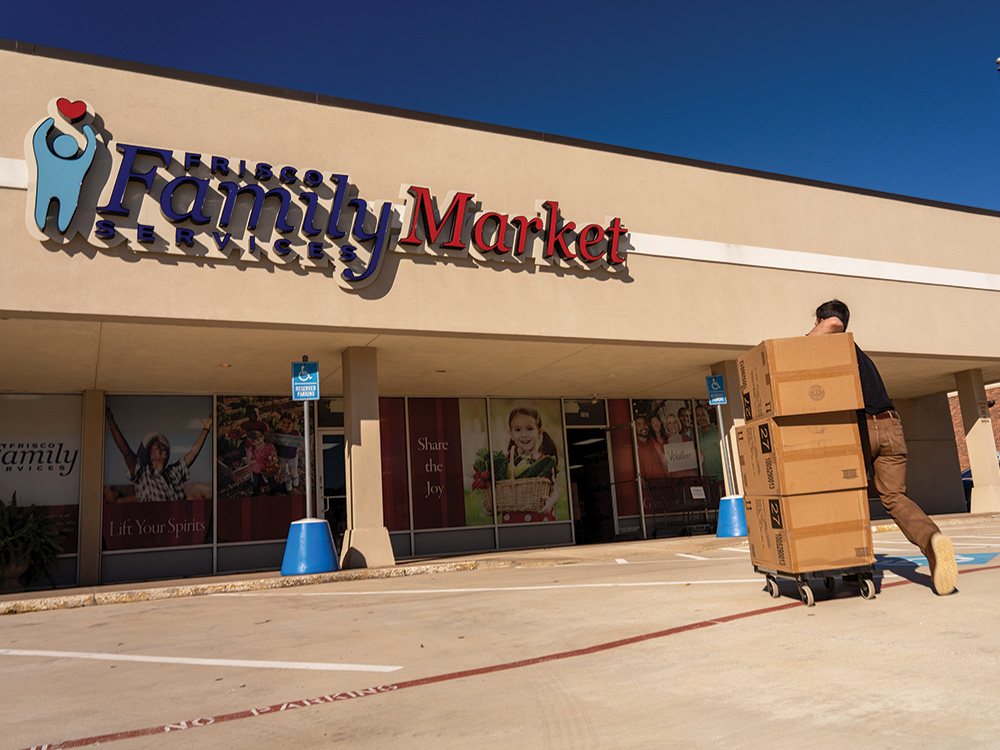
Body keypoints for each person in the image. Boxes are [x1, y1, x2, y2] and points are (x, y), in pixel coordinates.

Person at [808, 299, 957, 595]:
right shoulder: (862, 357)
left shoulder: (837, 343)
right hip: (892, 427)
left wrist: (812, 334)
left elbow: (831, 326)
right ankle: (933, 540)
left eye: (816, 322)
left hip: (862, 429)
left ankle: (854, 561)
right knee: (895, 498)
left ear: (822, 320)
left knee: (844, 493)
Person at [106, 407, 212, 502]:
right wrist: (111, 422)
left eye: (164, 446)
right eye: (158, 447)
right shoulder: (144, 475)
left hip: (177, 523)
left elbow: (193, 452)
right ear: (150, 456)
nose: (163, 447)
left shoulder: (174, 472)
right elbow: (127, 453)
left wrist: (206, 428)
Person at [504, 407, 560, 522]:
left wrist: (550, 502)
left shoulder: (545, 461)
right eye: (518, 430)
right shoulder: (506, 459)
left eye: (530, 429)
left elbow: (555, 491)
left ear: (539, 432)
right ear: (511, 434)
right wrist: (487, 506)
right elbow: (494, 489)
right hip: (513, 519)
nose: (524, 435)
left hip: (540, 517)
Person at [272, 412, 303, 492]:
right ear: (280, 422)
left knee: (293, 469)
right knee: (283, 469)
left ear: (293, 423)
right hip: (281, 455)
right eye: (284, 422)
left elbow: (299, 444)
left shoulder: (296, 433)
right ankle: (288, 481)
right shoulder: (278, 432)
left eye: (289, 423)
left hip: (292, 456)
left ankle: (295, 477)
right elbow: (274, 445)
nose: (286, 425)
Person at [695, 404, 724, 483]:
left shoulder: (718, 431)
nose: (701, 418)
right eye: (698, 415)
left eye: (703, 415)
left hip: (722, 478)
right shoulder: (697, 433)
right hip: (708, 480)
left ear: (708, 416)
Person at [246, 429, 280, 496]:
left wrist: (273, 459)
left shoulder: (269, 446)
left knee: (271, 481)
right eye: (253, 441)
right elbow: (249, 461)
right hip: (257, 469)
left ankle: (274, 492)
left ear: (263, 437)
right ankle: (256, 494)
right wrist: (256, 461)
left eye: (258, 440)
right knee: (256, 483)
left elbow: (274, 457)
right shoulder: (251, 448)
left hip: (267, 468)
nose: (256, 442)